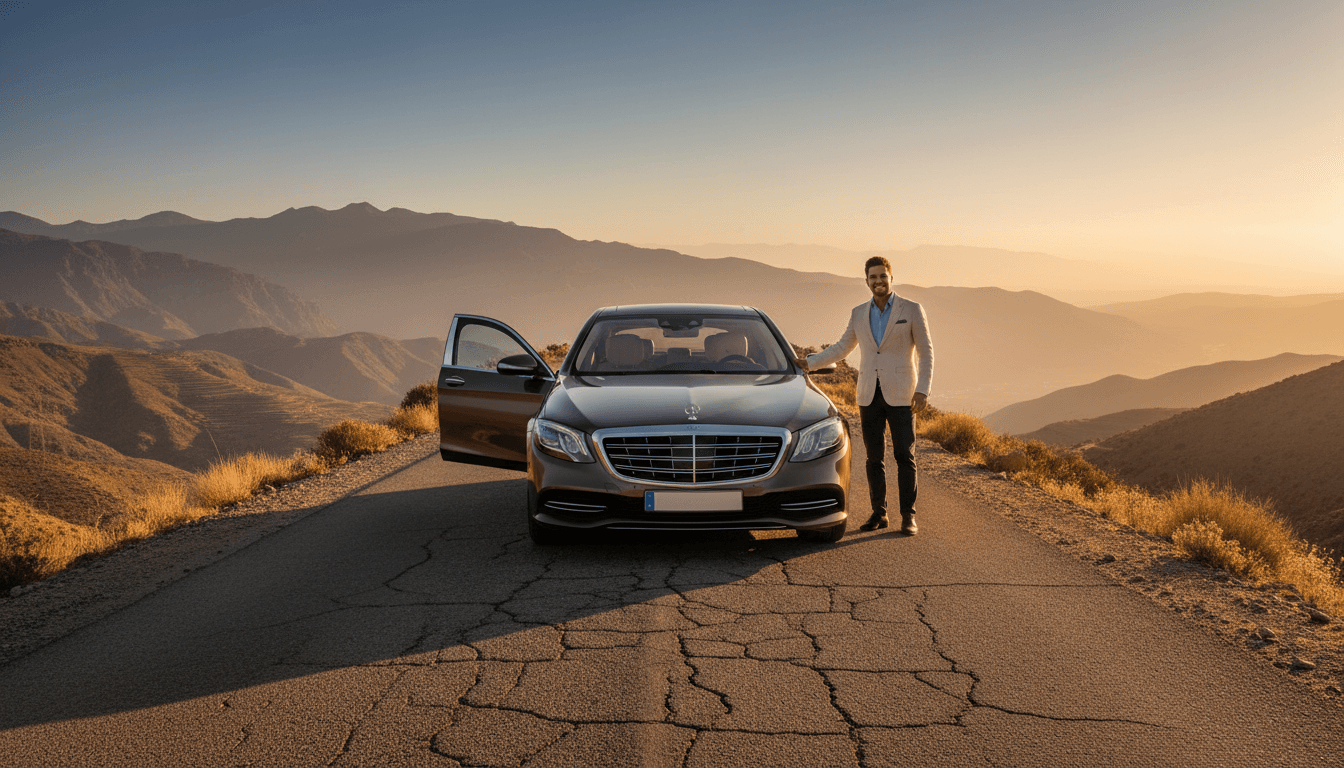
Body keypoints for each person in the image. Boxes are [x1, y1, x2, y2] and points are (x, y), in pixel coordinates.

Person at [799, 256, 934, 534]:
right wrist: (809, 363)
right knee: (874, 459)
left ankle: (908, 516)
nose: (878, 282)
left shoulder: (912, 309)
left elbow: (926, 352)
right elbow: (841, 347)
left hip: (902, 395)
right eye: (873, 277)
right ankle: (879, 513)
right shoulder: (859, 313)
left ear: (891, 277)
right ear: (866, 281)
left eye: (883, 276)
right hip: (869, 395)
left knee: (904, 455)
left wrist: (923, 389)